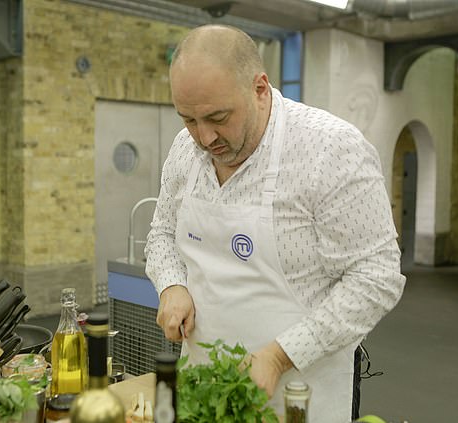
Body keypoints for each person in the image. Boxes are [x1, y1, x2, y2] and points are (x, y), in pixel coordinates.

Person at [144, 24, 406, 423]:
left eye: (218, 117)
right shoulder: (186, 150)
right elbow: (162, 232)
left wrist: (278, 357)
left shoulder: (330, 150)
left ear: (260, 88)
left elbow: (376, 278)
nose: (204, 137)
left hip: (302, 394)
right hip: (204, 388)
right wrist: (171, 284)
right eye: (189, 120)